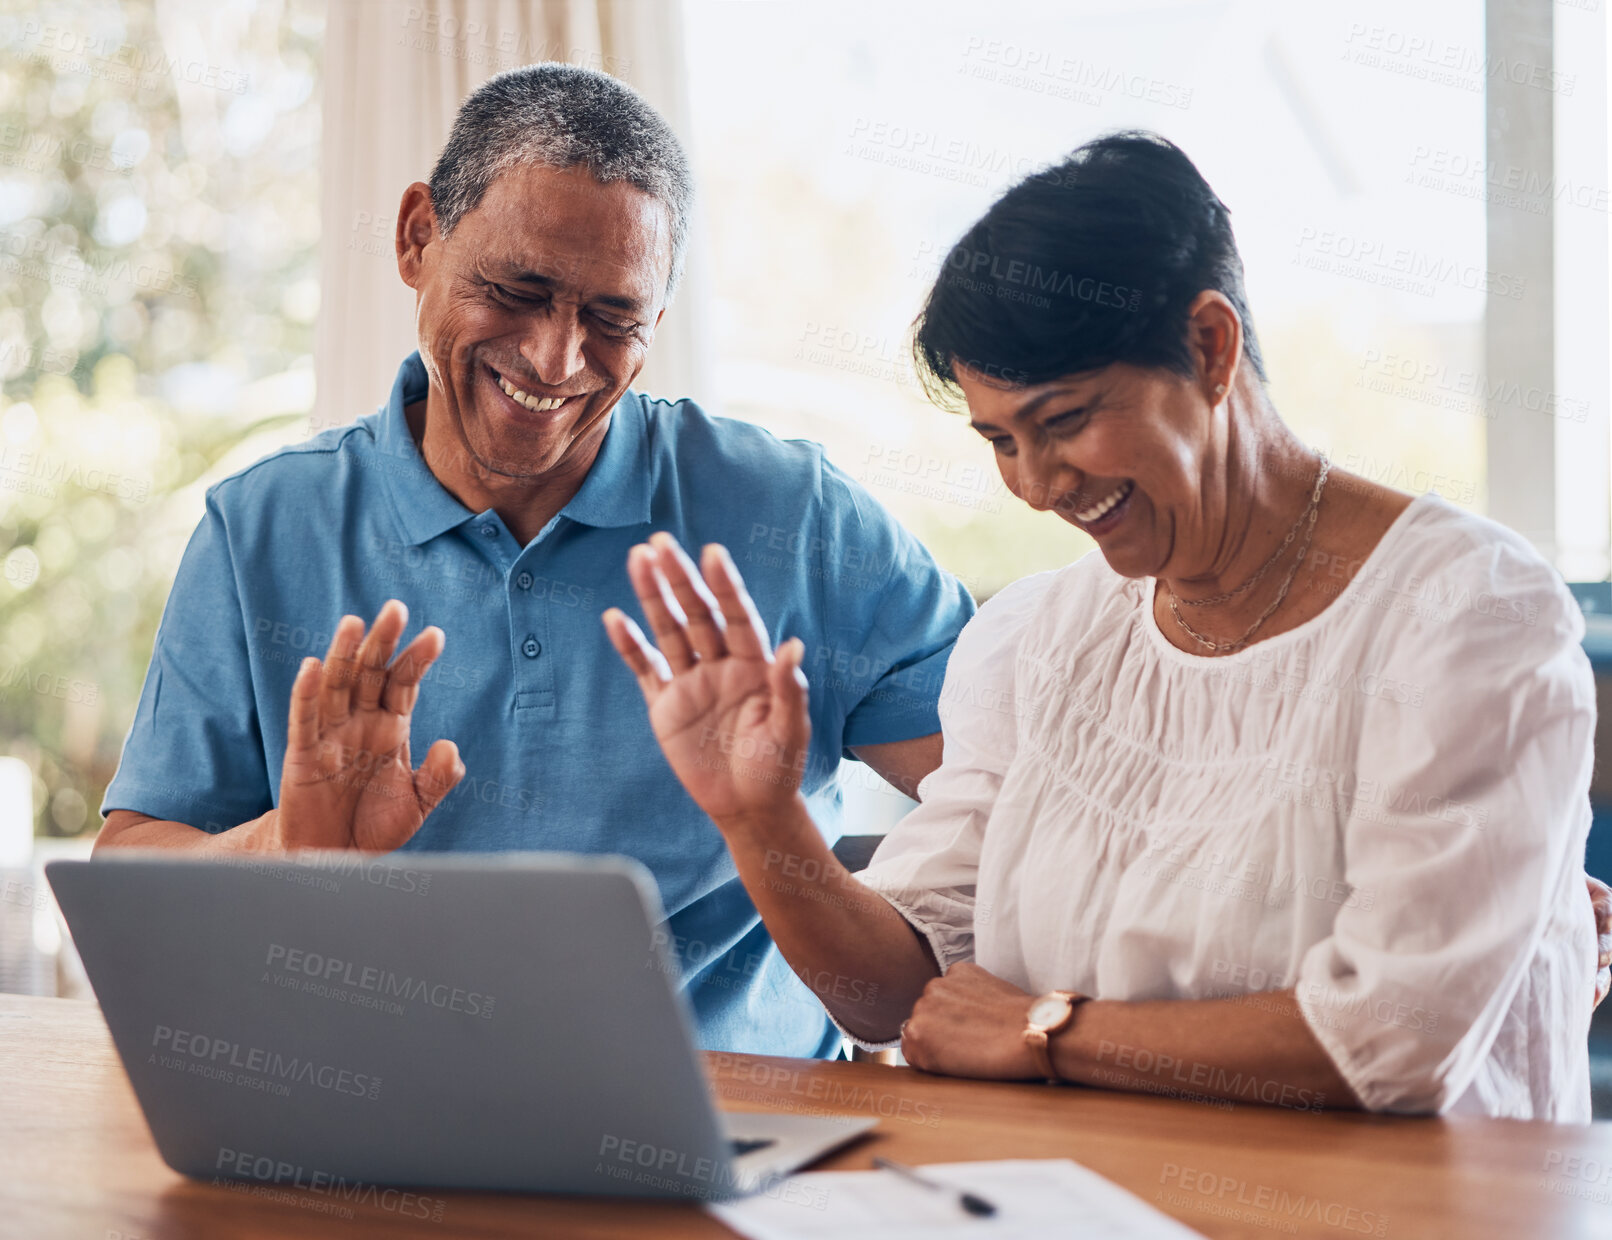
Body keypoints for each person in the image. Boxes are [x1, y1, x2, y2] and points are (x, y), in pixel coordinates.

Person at [606, 131, 1612, 1118]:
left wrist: (1051, 1031)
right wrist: (761, 820)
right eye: (1001, 440)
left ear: (1210, 348)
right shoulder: (1039, 638)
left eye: (1066, 420)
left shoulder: (1467, 614)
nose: (1038, 485)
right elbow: (903, 998)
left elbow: (1394, 1040)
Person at [93, 64, 974, 1059]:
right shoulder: (260, 529)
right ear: (417, 237)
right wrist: (285, 850)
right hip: (365, 1133)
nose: (556, 361)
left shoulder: (792, 517)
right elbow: (130, 886)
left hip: (741, 1138)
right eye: (517, 292)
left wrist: (774, 827)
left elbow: (1017, 796)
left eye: (612, 320)